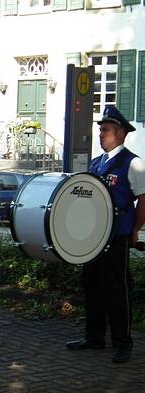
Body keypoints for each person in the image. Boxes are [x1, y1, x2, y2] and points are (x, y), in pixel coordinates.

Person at [66, 106, 145, 364]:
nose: (101, 135)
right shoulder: (96, 163)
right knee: (93, 287)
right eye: (100, 130)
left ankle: (123, 342)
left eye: (106, 130)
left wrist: (134, 230)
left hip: (116, 236)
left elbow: (143, 201)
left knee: (117, 290)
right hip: (93, 237)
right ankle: (94, 336)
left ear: (121, 133)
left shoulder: (133, 163)